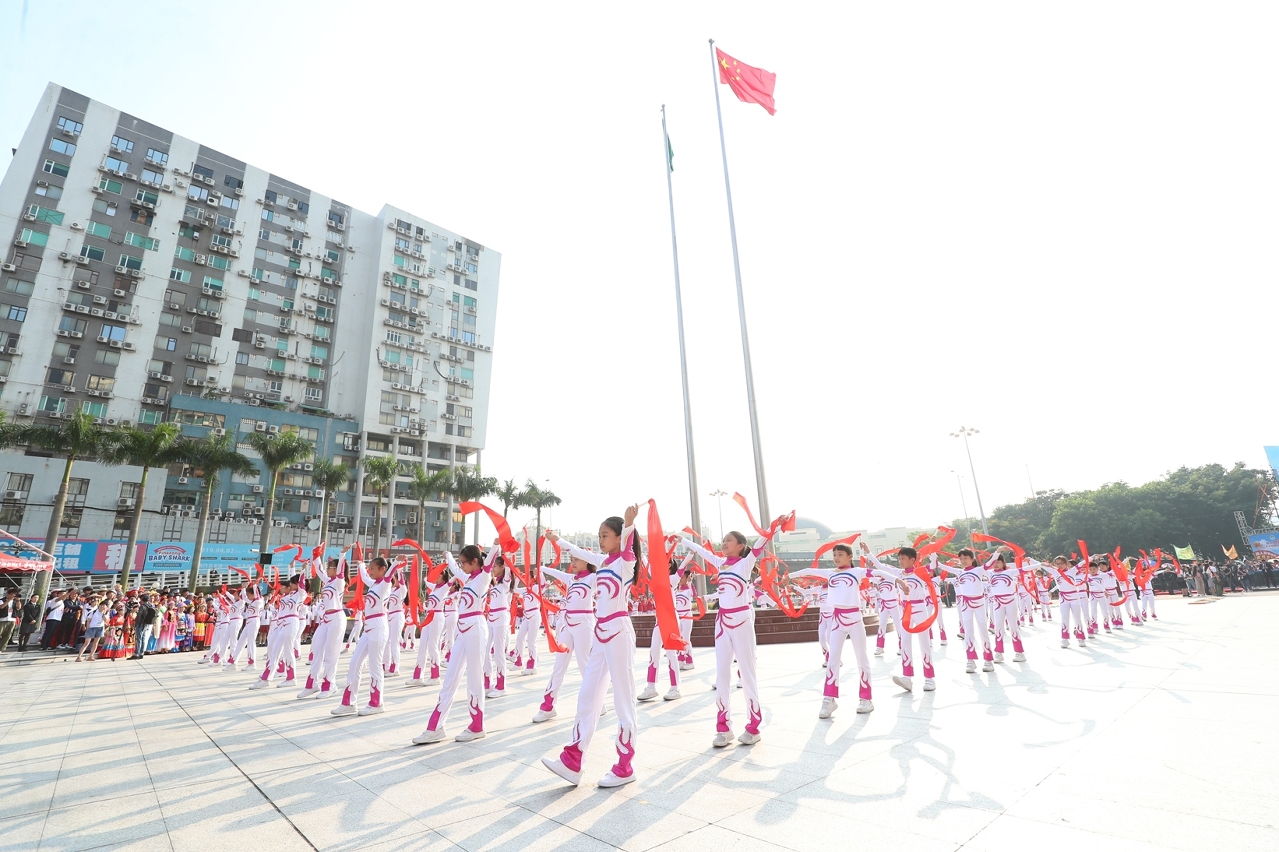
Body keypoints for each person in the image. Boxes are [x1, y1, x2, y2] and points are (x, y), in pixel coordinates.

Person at [540, 508, 644, 788]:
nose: (600, 540)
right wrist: (557, 540)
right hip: (600, 632)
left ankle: (625, 766)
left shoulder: (626, 562)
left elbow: (628, 547)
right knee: (587, 695)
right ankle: (573, 760)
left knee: (623, 699)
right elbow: (577, 551)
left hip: (619, 632)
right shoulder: (602, 561)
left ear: (620, 538)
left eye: (605, 535)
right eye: (599, 535)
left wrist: (630, 524)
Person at [679, 515, 788, 746]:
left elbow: (762, 541)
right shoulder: (720, 563)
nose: (724, 543)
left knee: (747, 673)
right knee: (722, 674)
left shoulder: (745, 563)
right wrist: (682, 540)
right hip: (722, 623)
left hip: (741, 621)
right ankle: (724, 727)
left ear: (740, 545)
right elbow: (701, 550)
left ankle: (754, 727)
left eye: (729, 540)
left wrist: (775, 525)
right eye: (724, 540)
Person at [412, 544, 501, 740]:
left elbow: (490, 561)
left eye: (464, 563)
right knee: (450, 678)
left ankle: (477, 726)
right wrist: (448, 556)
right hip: (462, 629)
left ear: (475, 561)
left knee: (474, 679)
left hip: (476, 629)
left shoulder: (484, 577)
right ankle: (435, 728)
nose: (461, 566)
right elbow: (453, 568)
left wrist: (496, 544)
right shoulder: (467, 579)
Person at [792, 543, 874, 717]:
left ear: (850, 557)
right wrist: (789, 576)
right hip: (836, 619)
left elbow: (879, 573)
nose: (836, 558)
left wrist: (899, 580)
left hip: (855, 619)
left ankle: (866, 699)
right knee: (833, 660)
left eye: (840, 554)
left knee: (862, 658)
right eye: (834, 555)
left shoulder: (857, 572)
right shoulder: (830, 573)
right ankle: (829, 700)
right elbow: (808, 570)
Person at [862, 545, 938, 692]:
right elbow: (880, 566)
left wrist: (933, 550)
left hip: (920, 610)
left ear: (912, 559)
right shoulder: (898, 573)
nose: (900, 561)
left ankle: (929, 679)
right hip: (905, 611)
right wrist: (868, 553)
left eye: (903, 558)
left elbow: (934, 565)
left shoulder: (920, 572)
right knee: (905, 644)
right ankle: (907, 678)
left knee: (924, 644)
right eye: (899, 558)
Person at [534, 554, 598, 723]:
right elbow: (554, 573)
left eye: (577, 559)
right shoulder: (570, 578)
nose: (573, 562)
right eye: (572, 559)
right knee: (559, 666)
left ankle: (596, 703)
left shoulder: (593, 578)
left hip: (585, 624)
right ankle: (548, 707)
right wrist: (540, 568)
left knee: (585, 665)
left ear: (587, 560)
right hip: (568, 624)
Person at [331, 556, 394, 714]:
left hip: (379, 627)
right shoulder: (374, 584)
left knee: (375, 666)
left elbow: (390, 574)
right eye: (369, 568)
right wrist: (361, 565)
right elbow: (365, 577)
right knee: (354, 663)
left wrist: (397, 563)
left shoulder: (385, 584)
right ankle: (349, 703)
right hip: (368, 628)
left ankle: (376, 704)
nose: (370, 571)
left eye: (373, 568)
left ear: (382, 569)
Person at [638, 554, 694, 702]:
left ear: (669, 565)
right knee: (654, 651)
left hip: (670, 619)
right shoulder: (656, 578)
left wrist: (690, 553)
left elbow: (683, 565)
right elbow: (646, 562)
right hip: (659, 620)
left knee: (671, 654)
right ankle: (651, 687)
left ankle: (675, 688)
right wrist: (639, 550)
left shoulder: (673, 579)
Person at [299, 557, 347, 699]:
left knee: (331, 654)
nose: (327, 569)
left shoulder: (339, 581)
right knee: (316, 649)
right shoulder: (327, 581)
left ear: (336, 569)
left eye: (330, 567)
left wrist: (343, 554)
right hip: (326, 619)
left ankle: (329, 685)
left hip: (337, 618)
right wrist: (316, 556)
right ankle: (312, 685)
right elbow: (319, 570)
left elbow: (341, 569)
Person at [250, 576, 308, 690]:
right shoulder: (288, 596)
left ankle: (291, 678)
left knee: (288, 651)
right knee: (275, 651)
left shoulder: (301, 594)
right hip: (282, 624)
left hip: (292, 623)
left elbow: (302, 584)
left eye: (292, 583)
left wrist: (302, 572)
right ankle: (266, 679)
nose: (290, 585)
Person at [953, 548, 996, 673]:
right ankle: (970, 661)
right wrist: (933, 551)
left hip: (979, 604)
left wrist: (998, 551)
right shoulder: (959, 572)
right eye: (961, 559)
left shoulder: (978, 570)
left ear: (972, 559)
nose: (963, 561)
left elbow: (991, 562)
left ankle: (988, 660)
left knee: (983, 631)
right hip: (965, 605)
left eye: (966, 558)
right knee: (968, 633)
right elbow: (939, 565)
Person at [407, 576, 451, 687]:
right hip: (428, 617)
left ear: (443, 578)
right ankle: (418, 677)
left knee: (433, 646)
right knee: (422, 646)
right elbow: (426, 581)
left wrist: (447, 565)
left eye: (439, 575)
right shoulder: (434, 587)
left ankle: (435, 676)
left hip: (437, 617)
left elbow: (453, 579)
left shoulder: (445, 588)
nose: (436, 576)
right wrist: (428, 575)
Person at [482, 555, 512, 698]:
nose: (492, 568)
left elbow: (508, 566)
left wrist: (503, 551)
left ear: (502, 567)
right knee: (485, 649)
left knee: (499, 653)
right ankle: (488, 682)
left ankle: (501, 686)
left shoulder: (506, 582)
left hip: (501, 618)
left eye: (495, 566)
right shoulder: (494, 583)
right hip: (491, 617)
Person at [512, 580, 541, 676]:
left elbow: (543, 585)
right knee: (519, 638)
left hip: (534, 615)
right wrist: (516, 578)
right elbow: (513, 589)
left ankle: (532, 666)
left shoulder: (535, 587)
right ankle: (519, 662)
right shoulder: (524, 589)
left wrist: (540, 574)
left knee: (531, 641)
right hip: (526, 616)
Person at [131, 594, 157, 659]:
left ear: (142, 599)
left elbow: (139, 616)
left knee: (138, 639)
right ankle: (141, 653)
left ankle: (136, 653)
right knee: (143, 639)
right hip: (147, 624)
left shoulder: (142, 606)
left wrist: (136, 623)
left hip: (140, 624)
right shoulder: (150, 605)